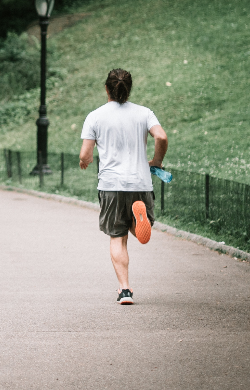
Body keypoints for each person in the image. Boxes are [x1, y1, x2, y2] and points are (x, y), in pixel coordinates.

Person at [79, 68, 168, 305]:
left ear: (106, 89)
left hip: (111, 185)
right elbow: (161, 137)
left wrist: (84, 161)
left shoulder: (95, 116)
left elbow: (85, 154)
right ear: (129, 89)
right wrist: (156, 161)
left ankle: (125, 290)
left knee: (117, 236)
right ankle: (138, 219)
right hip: (140, 182)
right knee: (135, 230)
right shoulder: (144, 113)